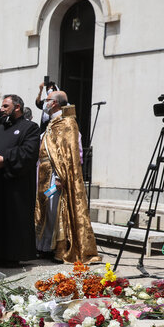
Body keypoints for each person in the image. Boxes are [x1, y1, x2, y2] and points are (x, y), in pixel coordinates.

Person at [35, 90, 101, 264]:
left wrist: (59, 175)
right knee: (46, 212)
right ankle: (44, 247)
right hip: (43, 171)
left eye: (47, 100)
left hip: (55, 175)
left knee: (56, 211)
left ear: (55, 103)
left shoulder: (67, 123)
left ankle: (60, 248)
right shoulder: (51, 122)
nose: (44, 102)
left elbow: (66, 154)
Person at [0, 94, 40, 266]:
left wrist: (4, 160)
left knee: (14, 219)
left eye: (5, 106)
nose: (2, 109)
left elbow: (29, 152)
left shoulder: (30, 128)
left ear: (17, 107)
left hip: (17, 185)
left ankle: (12, 256)